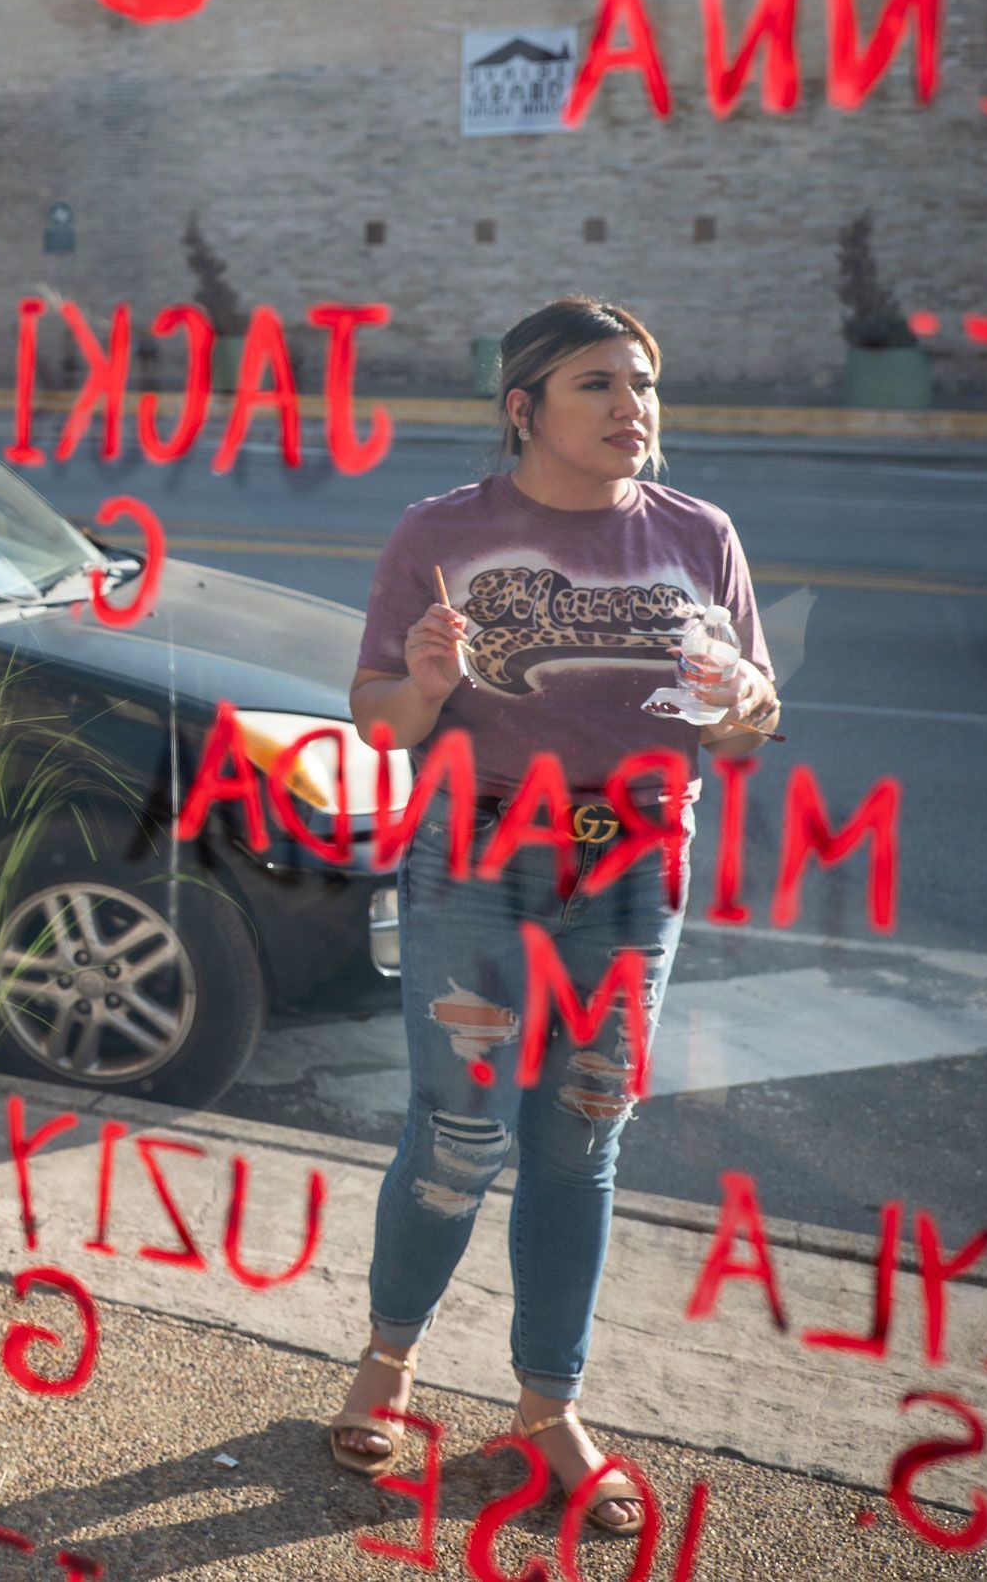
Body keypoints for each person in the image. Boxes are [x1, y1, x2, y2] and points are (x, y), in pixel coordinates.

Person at [327, 297, 781, 1538]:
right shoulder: (441, 532)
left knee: (583, 1140)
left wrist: (746, 697)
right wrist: (419, 687)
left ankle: (545, 1409)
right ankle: (389, 1362)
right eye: (599, 385)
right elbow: (373, 720)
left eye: (642, 384)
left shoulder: (700, 533)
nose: (634, 407)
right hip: (476, 857)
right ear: (523, 405)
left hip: (633, 874)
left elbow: (747, 726)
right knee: (460, 1133)